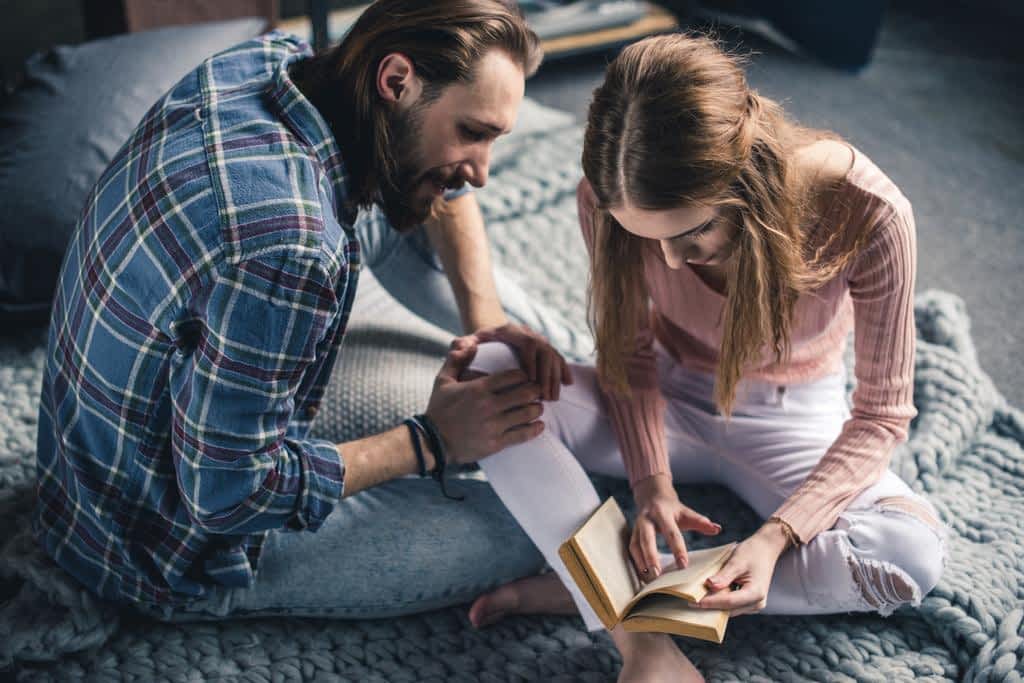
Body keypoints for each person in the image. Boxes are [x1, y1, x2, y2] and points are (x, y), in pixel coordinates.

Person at [34, 0, 578, 622]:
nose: (481, 173)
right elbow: (228, 495)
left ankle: (584, 374)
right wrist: (431, 439)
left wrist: (485, 322)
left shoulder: (272, 64)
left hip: (83, 469)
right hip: (154, 549)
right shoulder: (289, 248)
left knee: (418, 183)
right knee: (531, 528)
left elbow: (442, 182)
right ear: (396, 79)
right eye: (473, 133)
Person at [461, 33, 948, 682]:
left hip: (793, 417)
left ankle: (606, 586)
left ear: (747, 181)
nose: (668, 262)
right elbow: (628, 353)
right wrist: (651, 485)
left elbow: (882, 416)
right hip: (670, 395)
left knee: (911, 550)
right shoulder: (607, 196)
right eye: (647, 238)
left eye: (692, 234)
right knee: (488, 372)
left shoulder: (869, 209)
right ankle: (624, 613)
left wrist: (776, 537)